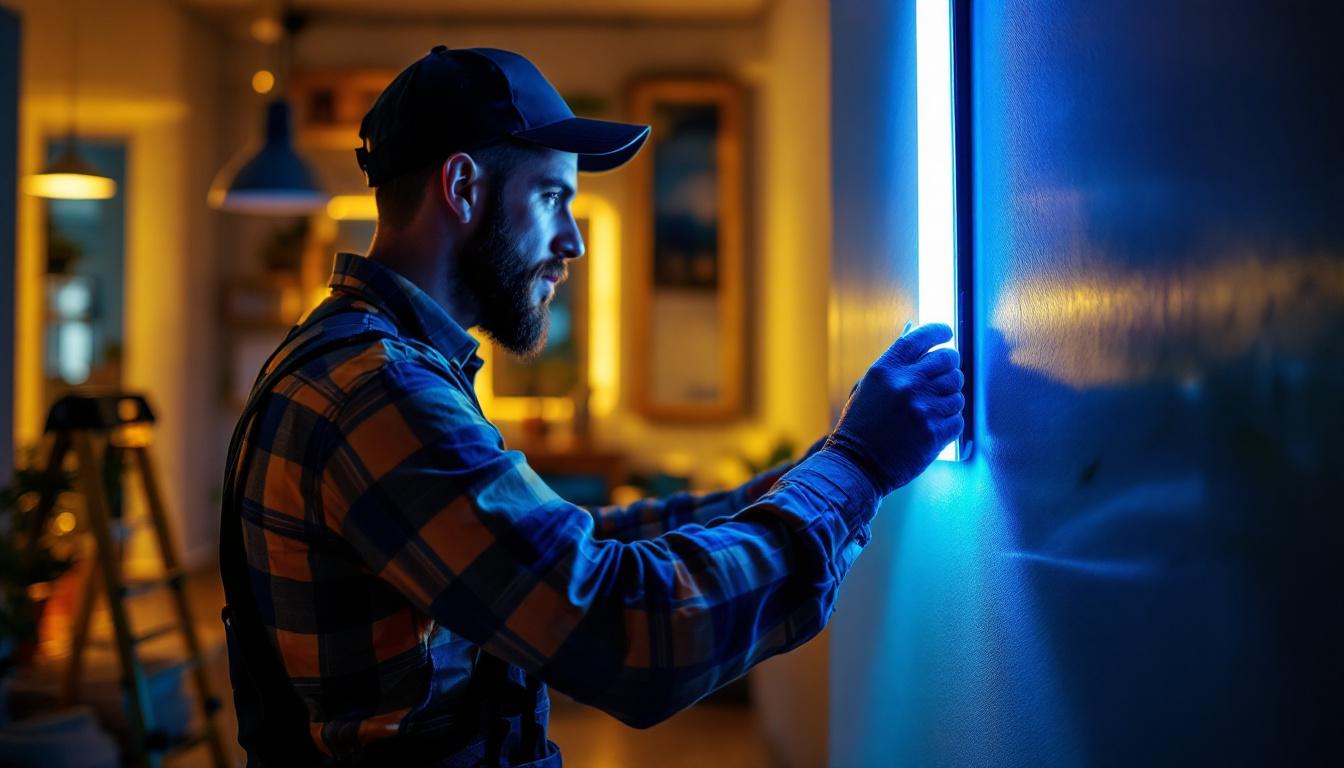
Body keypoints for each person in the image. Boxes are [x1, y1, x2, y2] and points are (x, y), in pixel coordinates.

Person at [219, 46, 964, 767]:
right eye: (552, 198)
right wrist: (857, 466)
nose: (572, 240)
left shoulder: (360, 358)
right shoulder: (379, 394)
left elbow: (557, 549)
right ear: (464, 187)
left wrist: (800, 478)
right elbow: (633, 634)